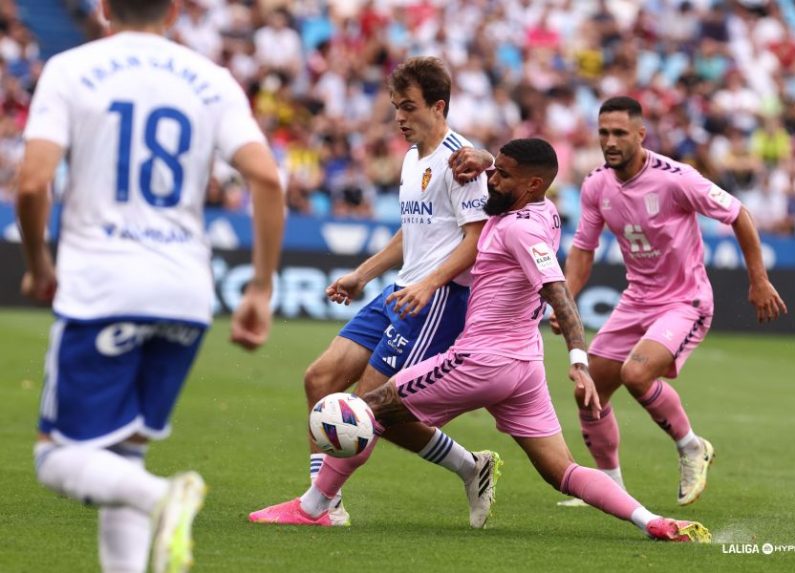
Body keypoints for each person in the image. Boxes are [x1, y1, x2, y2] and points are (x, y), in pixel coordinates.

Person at [248, 138, 711, 543]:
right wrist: (488, 158)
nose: (490, 181)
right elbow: (513, 178)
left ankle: (313, 508)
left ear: (530, 186)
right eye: (493, 171)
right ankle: (650, 519)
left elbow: (559, 293)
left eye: (501, 176)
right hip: (525, 370)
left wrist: (578, 358)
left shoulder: (520, 228)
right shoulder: (543, 210)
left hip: (481, 360)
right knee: (563, 473)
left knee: (365, 409)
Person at [17, 1, 285, 572]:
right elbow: (265, 176)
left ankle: (165, 497)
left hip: (103, 285)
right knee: (123, 454)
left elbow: (33, 182)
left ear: (107, 8)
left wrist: (40, 265)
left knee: (56, 459)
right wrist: (261, 286)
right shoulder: (211, 80)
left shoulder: (71, 68)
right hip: (184, 293)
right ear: (173, 11)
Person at [455, 96, 787, 507]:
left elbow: (738, 213)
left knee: (637, 374)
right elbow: (583, 250)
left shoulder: (676, 178)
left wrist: (758, 280)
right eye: (603, 133)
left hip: (685, 300)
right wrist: (567, 300)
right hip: (636, 299)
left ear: (641, 135)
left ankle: (690, 446)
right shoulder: (597, 185)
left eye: (619, 133)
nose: (609, 141)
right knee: (589, 392)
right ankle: (611, 483)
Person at [249, 56, 496, 528]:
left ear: (438, 106)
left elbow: (476, 242)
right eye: (394, 107)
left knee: (369, 407)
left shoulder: (462, 162)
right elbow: (413, 233)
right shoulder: (411, 157)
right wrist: (363, 274)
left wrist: (428, 283)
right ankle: (468, 466)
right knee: (320, 380)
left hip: (438, 299)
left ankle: (316, 507)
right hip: (402, 290)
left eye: (408, 107)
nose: (399, 118)